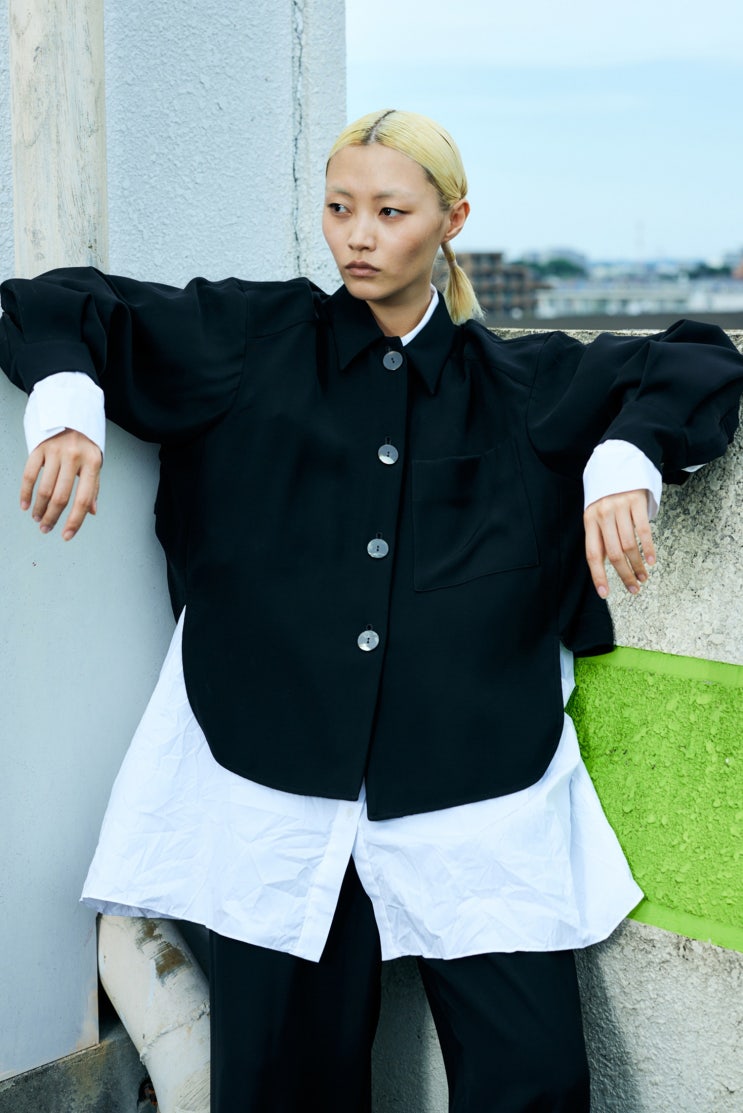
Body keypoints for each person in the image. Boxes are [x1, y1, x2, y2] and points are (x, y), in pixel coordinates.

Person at [1, 109, 742, 1113]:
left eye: (390, 212)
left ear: (451, 221)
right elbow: (55, 302)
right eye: (338, 208)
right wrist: (68, 405)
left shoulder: (516, 384)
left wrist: (625, 453)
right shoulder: (251, 341)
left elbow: (699, 358)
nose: (357, 236)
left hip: (477, 789)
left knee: (531, 1079)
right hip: (268, 781)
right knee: (279, 1086)